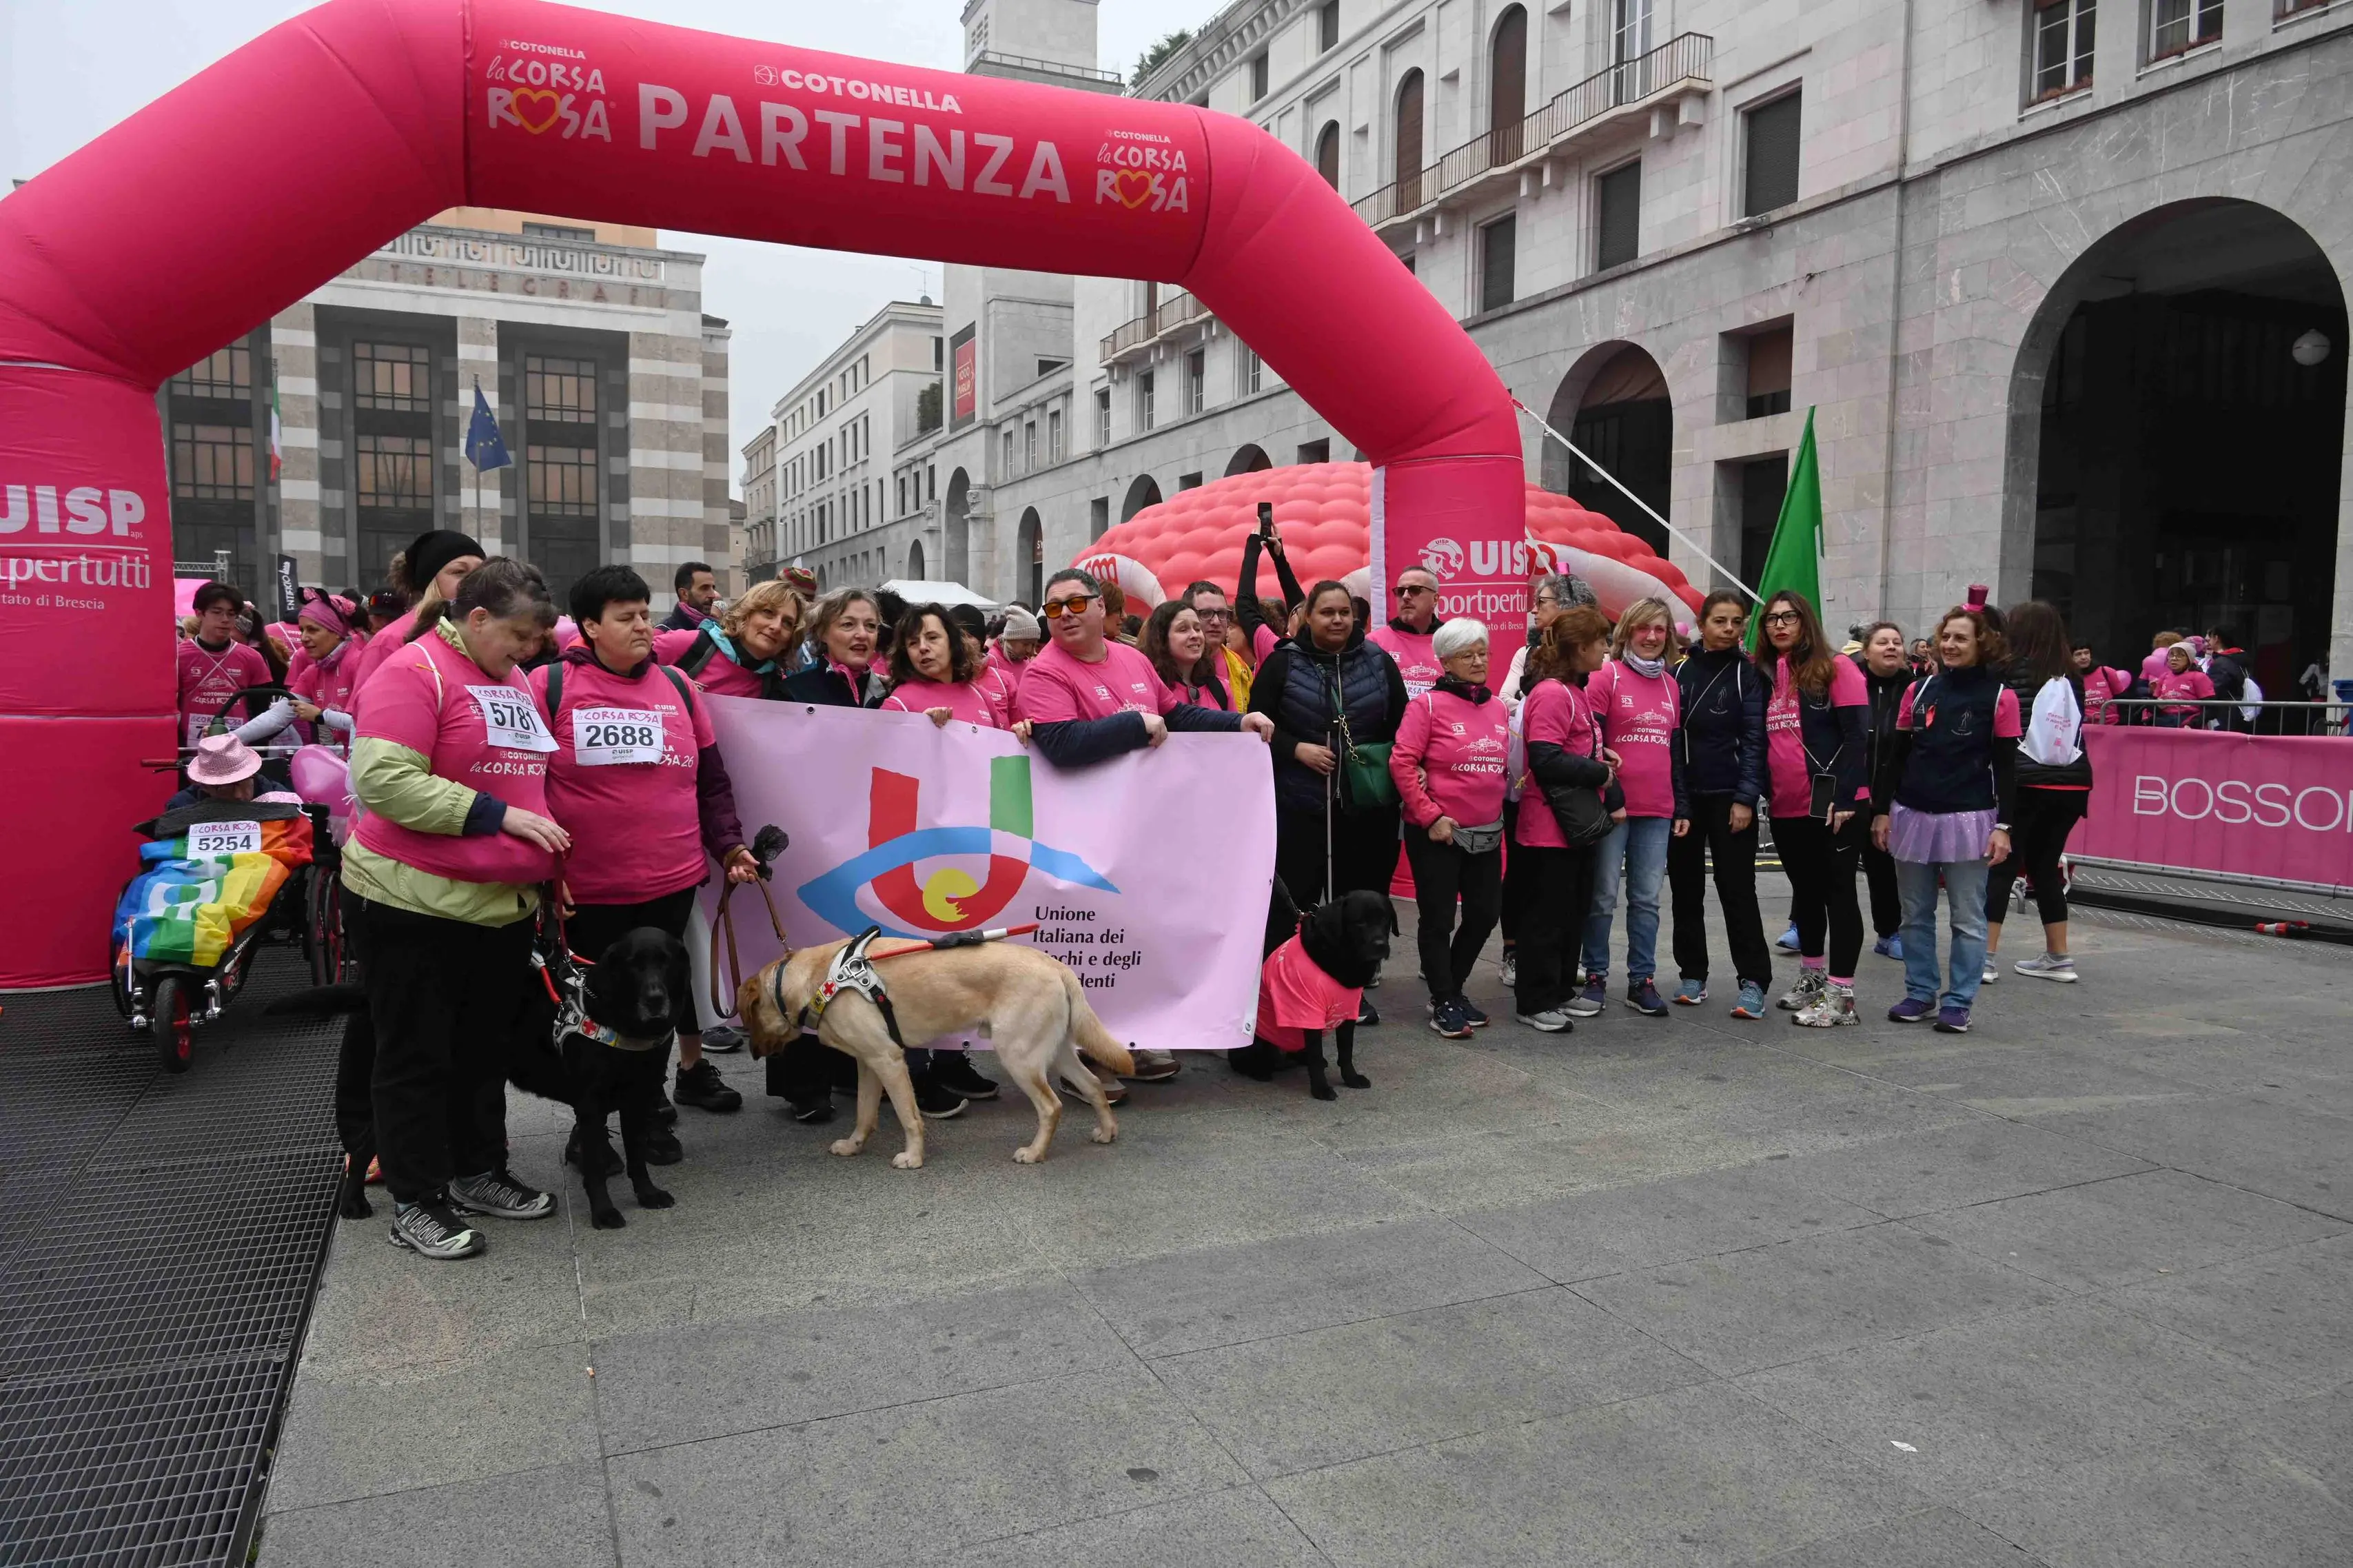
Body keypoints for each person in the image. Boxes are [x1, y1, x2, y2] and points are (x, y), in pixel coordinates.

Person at [341, 558, 571, 1261]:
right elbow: (383, 780)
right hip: (412, 901)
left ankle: (479, 1170)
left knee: (482, 1050)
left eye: (537, 639)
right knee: (416, 1055)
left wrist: (550, 871)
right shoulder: (413, 672)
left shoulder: (513, 680)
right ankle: (416, 1198)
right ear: (476, 618)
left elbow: (528, 781)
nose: (529, 650)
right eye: (519, 635)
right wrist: (495, 816)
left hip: (499, 906)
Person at [533, 564, 758, 1149]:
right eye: (626, 617)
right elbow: (523, 785)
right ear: (590, 626)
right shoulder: (547, 686)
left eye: (643, 614)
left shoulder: (678, 686)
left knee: (657, 1005)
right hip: (588, 887)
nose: (642, 627)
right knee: (593, 1012)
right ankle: (591, 1126)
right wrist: (541, 871)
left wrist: (730, 844)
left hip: (670, 881)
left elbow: (712, 781)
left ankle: (648, 1107)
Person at [1017, 567, 1270, 1077]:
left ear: (1099, 606)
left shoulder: (1131, 658)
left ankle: (1134, 1034)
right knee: (1088, 945)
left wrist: (1236, 722)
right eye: (1054, 608)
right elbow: (1062, 744)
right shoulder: (1043, 673)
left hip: (1142, 829)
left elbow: (1175, 715)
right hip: (1081, 833)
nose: (1065, 615)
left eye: (1075, 603)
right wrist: (1133, 725)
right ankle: (1077, 1058)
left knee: (1137, 934)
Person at [1247, 578, 1406, 1024]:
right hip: (1299, 806)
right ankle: (1282, 989)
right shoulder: (1282, 664)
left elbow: (1402, 726)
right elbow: (1256, 726)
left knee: (1358, 906)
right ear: (1307, 617)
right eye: (1327, 612)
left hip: (1365, 808)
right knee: (1294, 901)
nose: (1337, 620)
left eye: (1344, 612)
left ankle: (1349, 992)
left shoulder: (1378, 662)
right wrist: (1296, 748)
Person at [1871, 604, 2019, 1034]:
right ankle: (1920, 992)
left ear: (1982, 644)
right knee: (1914, 913)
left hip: (1970, 818)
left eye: (1961, 638)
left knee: (1967, 918)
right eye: (1946, 637)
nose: (1950, 645)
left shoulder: (2001, 697)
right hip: (1911, 814)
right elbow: (1897, 756)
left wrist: (2004, 826)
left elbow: (2008, 768)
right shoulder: (1917, 690)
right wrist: (1881, 810)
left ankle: (1959, 1002)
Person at [1756, 590, 1873, 1028]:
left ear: (1806, 621)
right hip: (1785, 805)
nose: (1780, 625)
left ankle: (1842, 997)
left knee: (1838, 895)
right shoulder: (1767, 674)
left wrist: (1845, 798)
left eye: (1789, 617)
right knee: (1804, 893)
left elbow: (1857, 737)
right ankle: (1813, 976)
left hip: (1835, 806)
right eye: (1772, 619)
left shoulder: (1837, 667)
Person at [1389, 619, 1507, 1038]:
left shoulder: (1497, 707)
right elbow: (1402, 762)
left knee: (1485, 914)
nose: (1478, 662)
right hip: (1437, 832)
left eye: (1482, 653)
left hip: (1487, 832)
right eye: (1466, 655)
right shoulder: (1426, 706)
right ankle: (1443, 998)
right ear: (1445, 662)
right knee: (1438, 919)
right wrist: (1431, 816)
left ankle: (1451, 989)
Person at [1571, 597, 1685, 1019]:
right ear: (1627, 632)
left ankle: (1642, 980)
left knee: (1647, 900)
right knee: (1603, 896)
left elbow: (1674, 752)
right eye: (1643, 628)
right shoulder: (1607, 675)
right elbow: (1592, 744)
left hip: (1658, 808)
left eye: (1659, 629)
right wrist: (1614, 798)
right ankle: (1595, 975)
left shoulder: (1671, 684)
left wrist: (1681, 805)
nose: (1651, 637)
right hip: (1612, 808)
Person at [1666, 590, 1771, 1019]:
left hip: (1732, 800)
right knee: (1685, 891)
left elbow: (1755, 741)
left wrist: (1746, 798)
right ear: (1702, 624)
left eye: (1736, 622)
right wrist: (1679, 802)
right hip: (1686, 800)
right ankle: (1693, 974)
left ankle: (1754, 982)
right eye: (1720, 621)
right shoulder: (1678, 672)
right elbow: (1671, 742)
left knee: (1737, 890)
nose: (1729, 629)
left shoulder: (1750, 675)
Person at [1509, 608, 1616, 1030]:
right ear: (1580, 647)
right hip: (1548, 827)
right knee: (1546, 916)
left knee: (1571, 912)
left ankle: (1558, 990)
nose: (1606, 649)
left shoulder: (1574, 689)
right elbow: (1546, 758)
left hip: (1573, 826)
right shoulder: (1553, 693)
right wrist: (1598, 772)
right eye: (1602, 641)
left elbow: (1570, 748)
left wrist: (1599, 758)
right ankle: (1533, 1001)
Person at [1985, 601, 2092, 985]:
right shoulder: (2073, 675)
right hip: (2072, 782)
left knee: (2003, 866)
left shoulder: (2006, 668)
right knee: (2046, 868)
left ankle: (1984, 958)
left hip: (2024, 779)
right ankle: (2059, 957)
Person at [345, 531, 486, 705]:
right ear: (431, 581)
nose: (474, 581)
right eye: (459, 572)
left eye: (481, 572)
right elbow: (365, 709)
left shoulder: (489, 633)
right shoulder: (390, 641)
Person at [1855, 622, 1912, 959]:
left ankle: (1889, 933)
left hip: (1891, 796)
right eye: (1883, 642)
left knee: (1884, 869)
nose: (1891, 647)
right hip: (1849, 793)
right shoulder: (1850, 683)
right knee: (1824, 867)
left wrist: (1886, 805)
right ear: (1866, 652)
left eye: (1897, 642)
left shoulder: (1914, 689)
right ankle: (1802, 925)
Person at [656, 579, 803, 699]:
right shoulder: (686, 644)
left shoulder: (778, 687)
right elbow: (641, 669)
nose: (776, 626)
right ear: (745, 613)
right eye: (768, 612)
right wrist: (672, 682)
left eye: (787, 623)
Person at [176, 582, 274, 753]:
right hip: (188, 752)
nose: (225, 619)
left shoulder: (252, 658)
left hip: (239, 752)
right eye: (217, 612)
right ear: (199, 613)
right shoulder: (178, 656)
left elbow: (262, 713)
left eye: (231, 614)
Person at [879, 602, 1002, 727]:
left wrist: (1015, 734)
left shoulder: (981, 695)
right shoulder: (898, 704)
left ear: (952, 642)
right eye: (913, 643)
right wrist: (919, 728)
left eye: (932, 638)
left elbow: (999, 738)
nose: (923, 647)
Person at [285, 589, 371, 753]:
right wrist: (234, 737)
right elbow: (277, 716)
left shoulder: (359, 663)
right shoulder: (314, 670)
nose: (303, 638)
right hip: (347, 756)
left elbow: (365, 723)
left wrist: (321, 715)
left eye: (312, 630)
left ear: (337, 632)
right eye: (302, 630)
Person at [782, 590, 886, 706]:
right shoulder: (792, 693)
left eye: (871, 625)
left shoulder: (889, 695)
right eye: (848, 624)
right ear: (822, 632)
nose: (862, 634)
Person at [1367, 564, 1445, 699]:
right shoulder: (1373, 643)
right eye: (1400, 591)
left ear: (1435, 599)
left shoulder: (1454, 641)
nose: (1405, 596)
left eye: (1415, 590)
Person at [1139, 600, 1229, 709]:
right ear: (1162, 638)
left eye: (1197, 629)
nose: (1195, 635)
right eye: (1183, 630)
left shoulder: (1221, 688)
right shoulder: (1148, 689)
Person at [2150, 642, 2214, 728]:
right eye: (2171, 655)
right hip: (2165, 721)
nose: (2174, 658)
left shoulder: (2199, 677)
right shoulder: (2164, 677)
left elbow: (2211, 708)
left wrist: (2193, 724)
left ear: (2189, 659)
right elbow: (2154, 702)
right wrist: (2158, 706)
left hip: (2189, 722)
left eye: (2180, 655)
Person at [2202, 626, 2252, 733]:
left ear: (2216, 638)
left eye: (2209, 639)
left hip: (2222, 714)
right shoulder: (2239, 657)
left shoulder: (2222, 663)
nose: (2207, 643)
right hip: (2238, 711)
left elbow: (2214, 690)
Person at [2072, 641, 2132, 726]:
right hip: (2082, 727)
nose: (2084, 657)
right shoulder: (2068, 678)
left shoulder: (2106, 672)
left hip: (2111, 726)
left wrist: (2122, 724)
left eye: (2087, 653)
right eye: (2078, 654)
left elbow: (2123, 700)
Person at [662, 561, 719, 631]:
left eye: (713, 588)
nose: (713, 595)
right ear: (684, 594)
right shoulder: (664, 632)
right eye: (704, 588)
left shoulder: (719, 628)